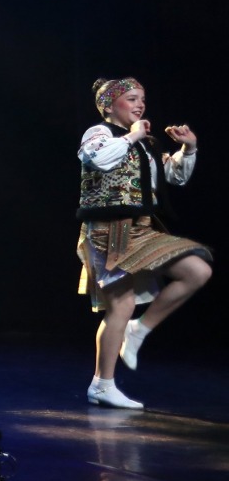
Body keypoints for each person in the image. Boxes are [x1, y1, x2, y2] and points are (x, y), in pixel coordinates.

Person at [76, 78, 211, 409]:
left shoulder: (143, 144)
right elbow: (97, 159)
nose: (140, 105)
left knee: (197, 270)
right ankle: (102, 385)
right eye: (132, 98)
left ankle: (138, 330)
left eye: (143, 99)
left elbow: (173, 177)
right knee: (119, 305)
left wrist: (188, 149)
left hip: (140, 228)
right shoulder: (100, 133)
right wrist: (133, 135)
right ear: (109, 105)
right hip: (109, 230)